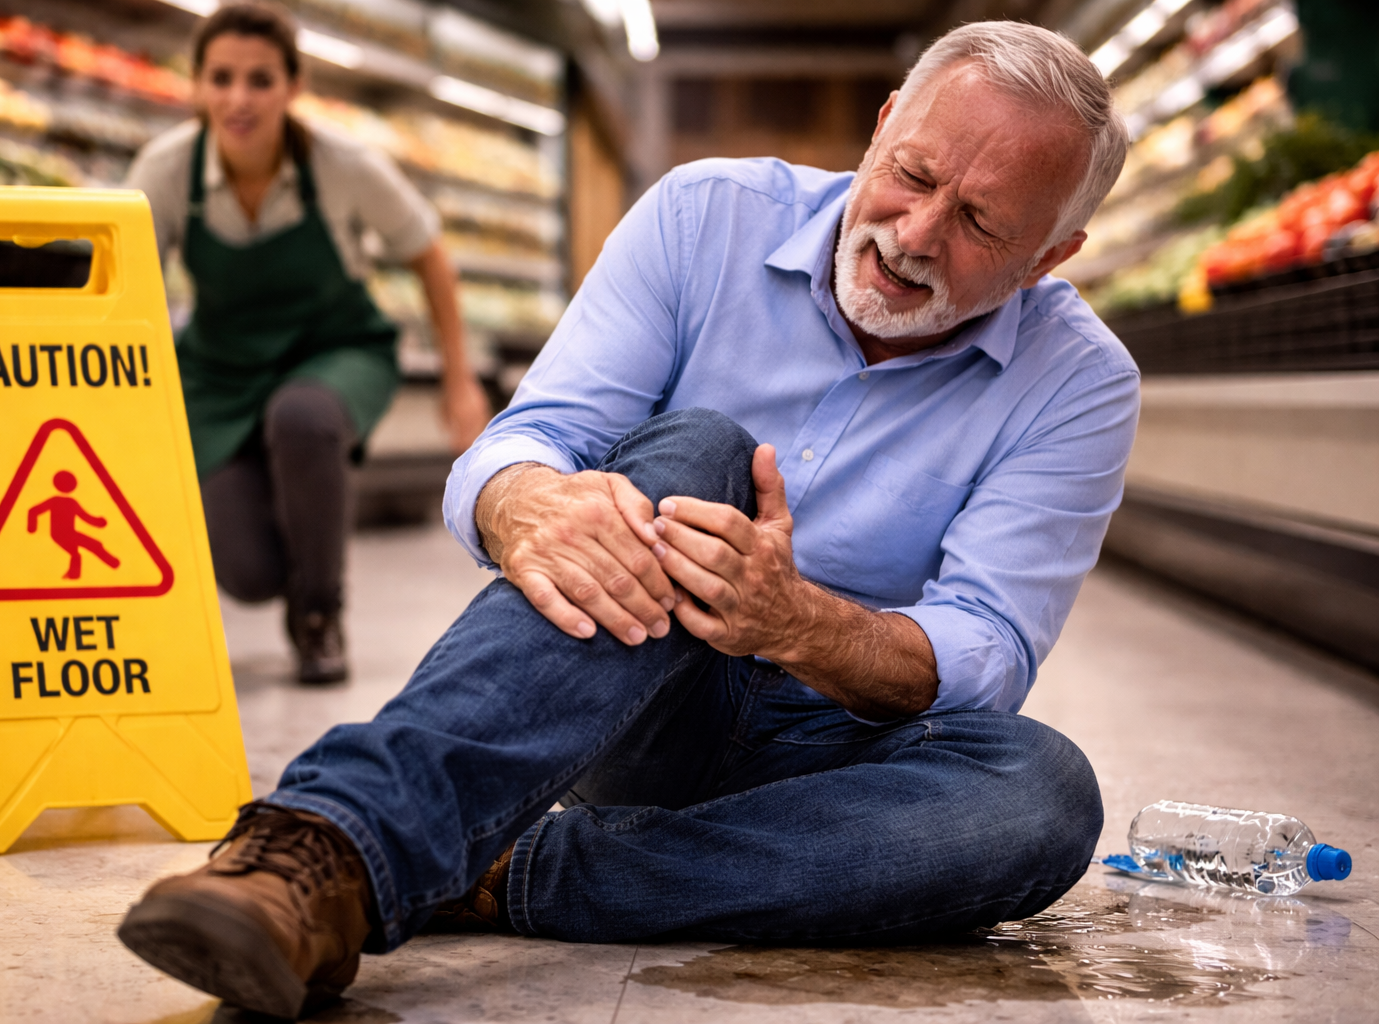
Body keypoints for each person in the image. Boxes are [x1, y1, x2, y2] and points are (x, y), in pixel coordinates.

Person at [117, 22, 1140, 1020]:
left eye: (978, 223)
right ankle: (328, 847)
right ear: (880, 129)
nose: (914, 236)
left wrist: (796, 622)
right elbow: (529, 441)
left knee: (1044, 795)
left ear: (1051, 254)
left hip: (834, 747)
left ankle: (497, 869)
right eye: (912, 176)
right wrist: (526, 502)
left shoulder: (1081, 381)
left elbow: (992, 641)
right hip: (632, 676)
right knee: (703, 452)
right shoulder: (706, 216)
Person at [123, 3, 492, 684]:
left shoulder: (342, 165)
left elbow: (430, 255)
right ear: (197, 85)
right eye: (222, 78)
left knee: (302, 418)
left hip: (336, 349)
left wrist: (459, 380)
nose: (239, 99)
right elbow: (123, 281)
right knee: (250, 573)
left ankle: (320, 614)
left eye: (260, 80)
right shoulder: (168, 170)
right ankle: (292, 562)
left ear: (293, 88)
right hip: (221, 369)